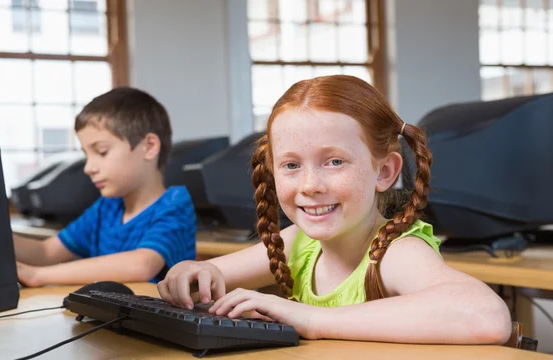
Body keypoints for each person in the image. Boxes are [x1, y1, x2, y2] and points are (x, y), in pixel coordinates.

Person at [158, 75, 512, 344]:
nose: (310, 184)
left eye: (335, 161)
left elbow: (488, 315)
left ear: (385, 172)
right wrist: (190, 271)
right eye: (291, 165)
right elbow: (207, 273)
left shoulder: (394, 253)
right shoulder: (299, 243)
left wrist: (309, 319)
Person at [14, 87, 196, 287]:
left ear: (149, 147)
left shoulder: (174, 204)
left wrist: (38, 275)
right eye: (86, 155)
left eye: (101, 152)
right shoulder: (106, 207)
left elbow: (141, 264)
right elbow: (46, 252)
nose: (88, 168)